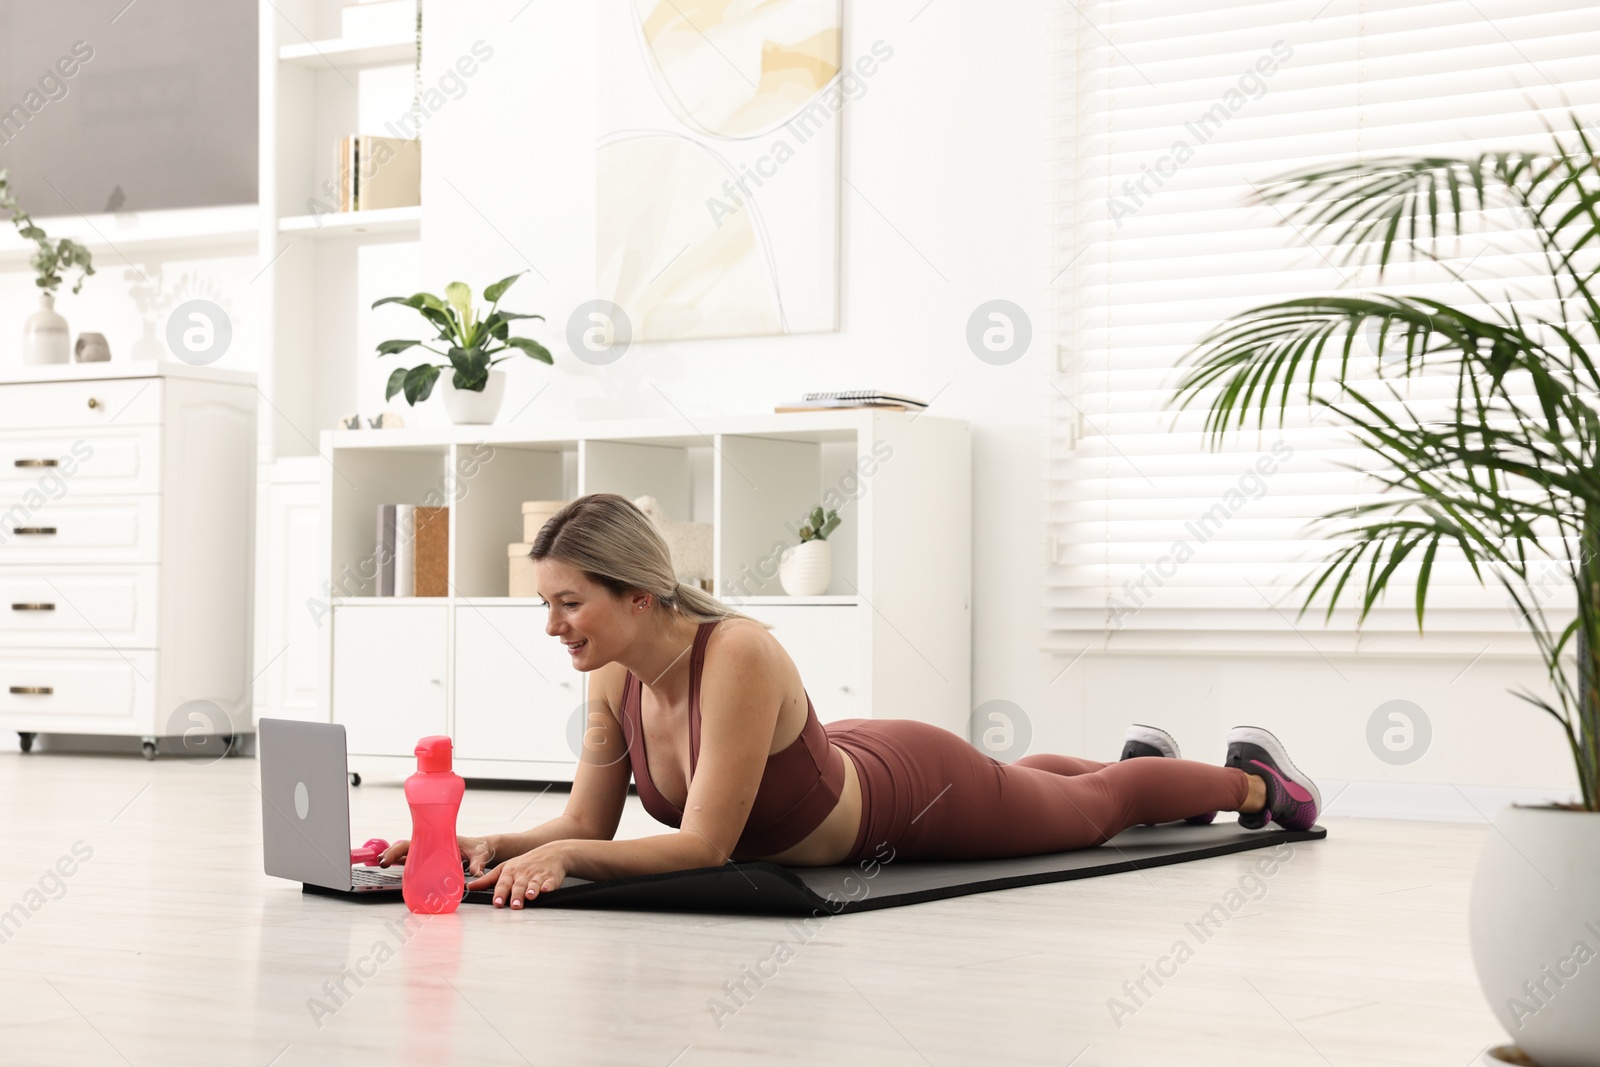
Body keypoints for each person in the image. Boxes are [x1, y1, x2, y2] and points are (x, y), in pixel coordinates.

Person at [380, 493, 1320, 909]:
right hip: (855, 757)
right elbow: (588, 819)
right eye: (545, 605)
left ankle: (1255, 786)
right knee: (1034, 783)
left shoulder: (738, 653)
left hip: (913, 791)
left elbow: (704, 848)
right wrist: (489, 843)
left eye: (569, 604)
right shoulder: (613, 677)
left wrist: (570, 861)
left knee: (1089, 810)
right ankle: (1156, 769)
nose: (554, 627)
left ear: (639, 595)